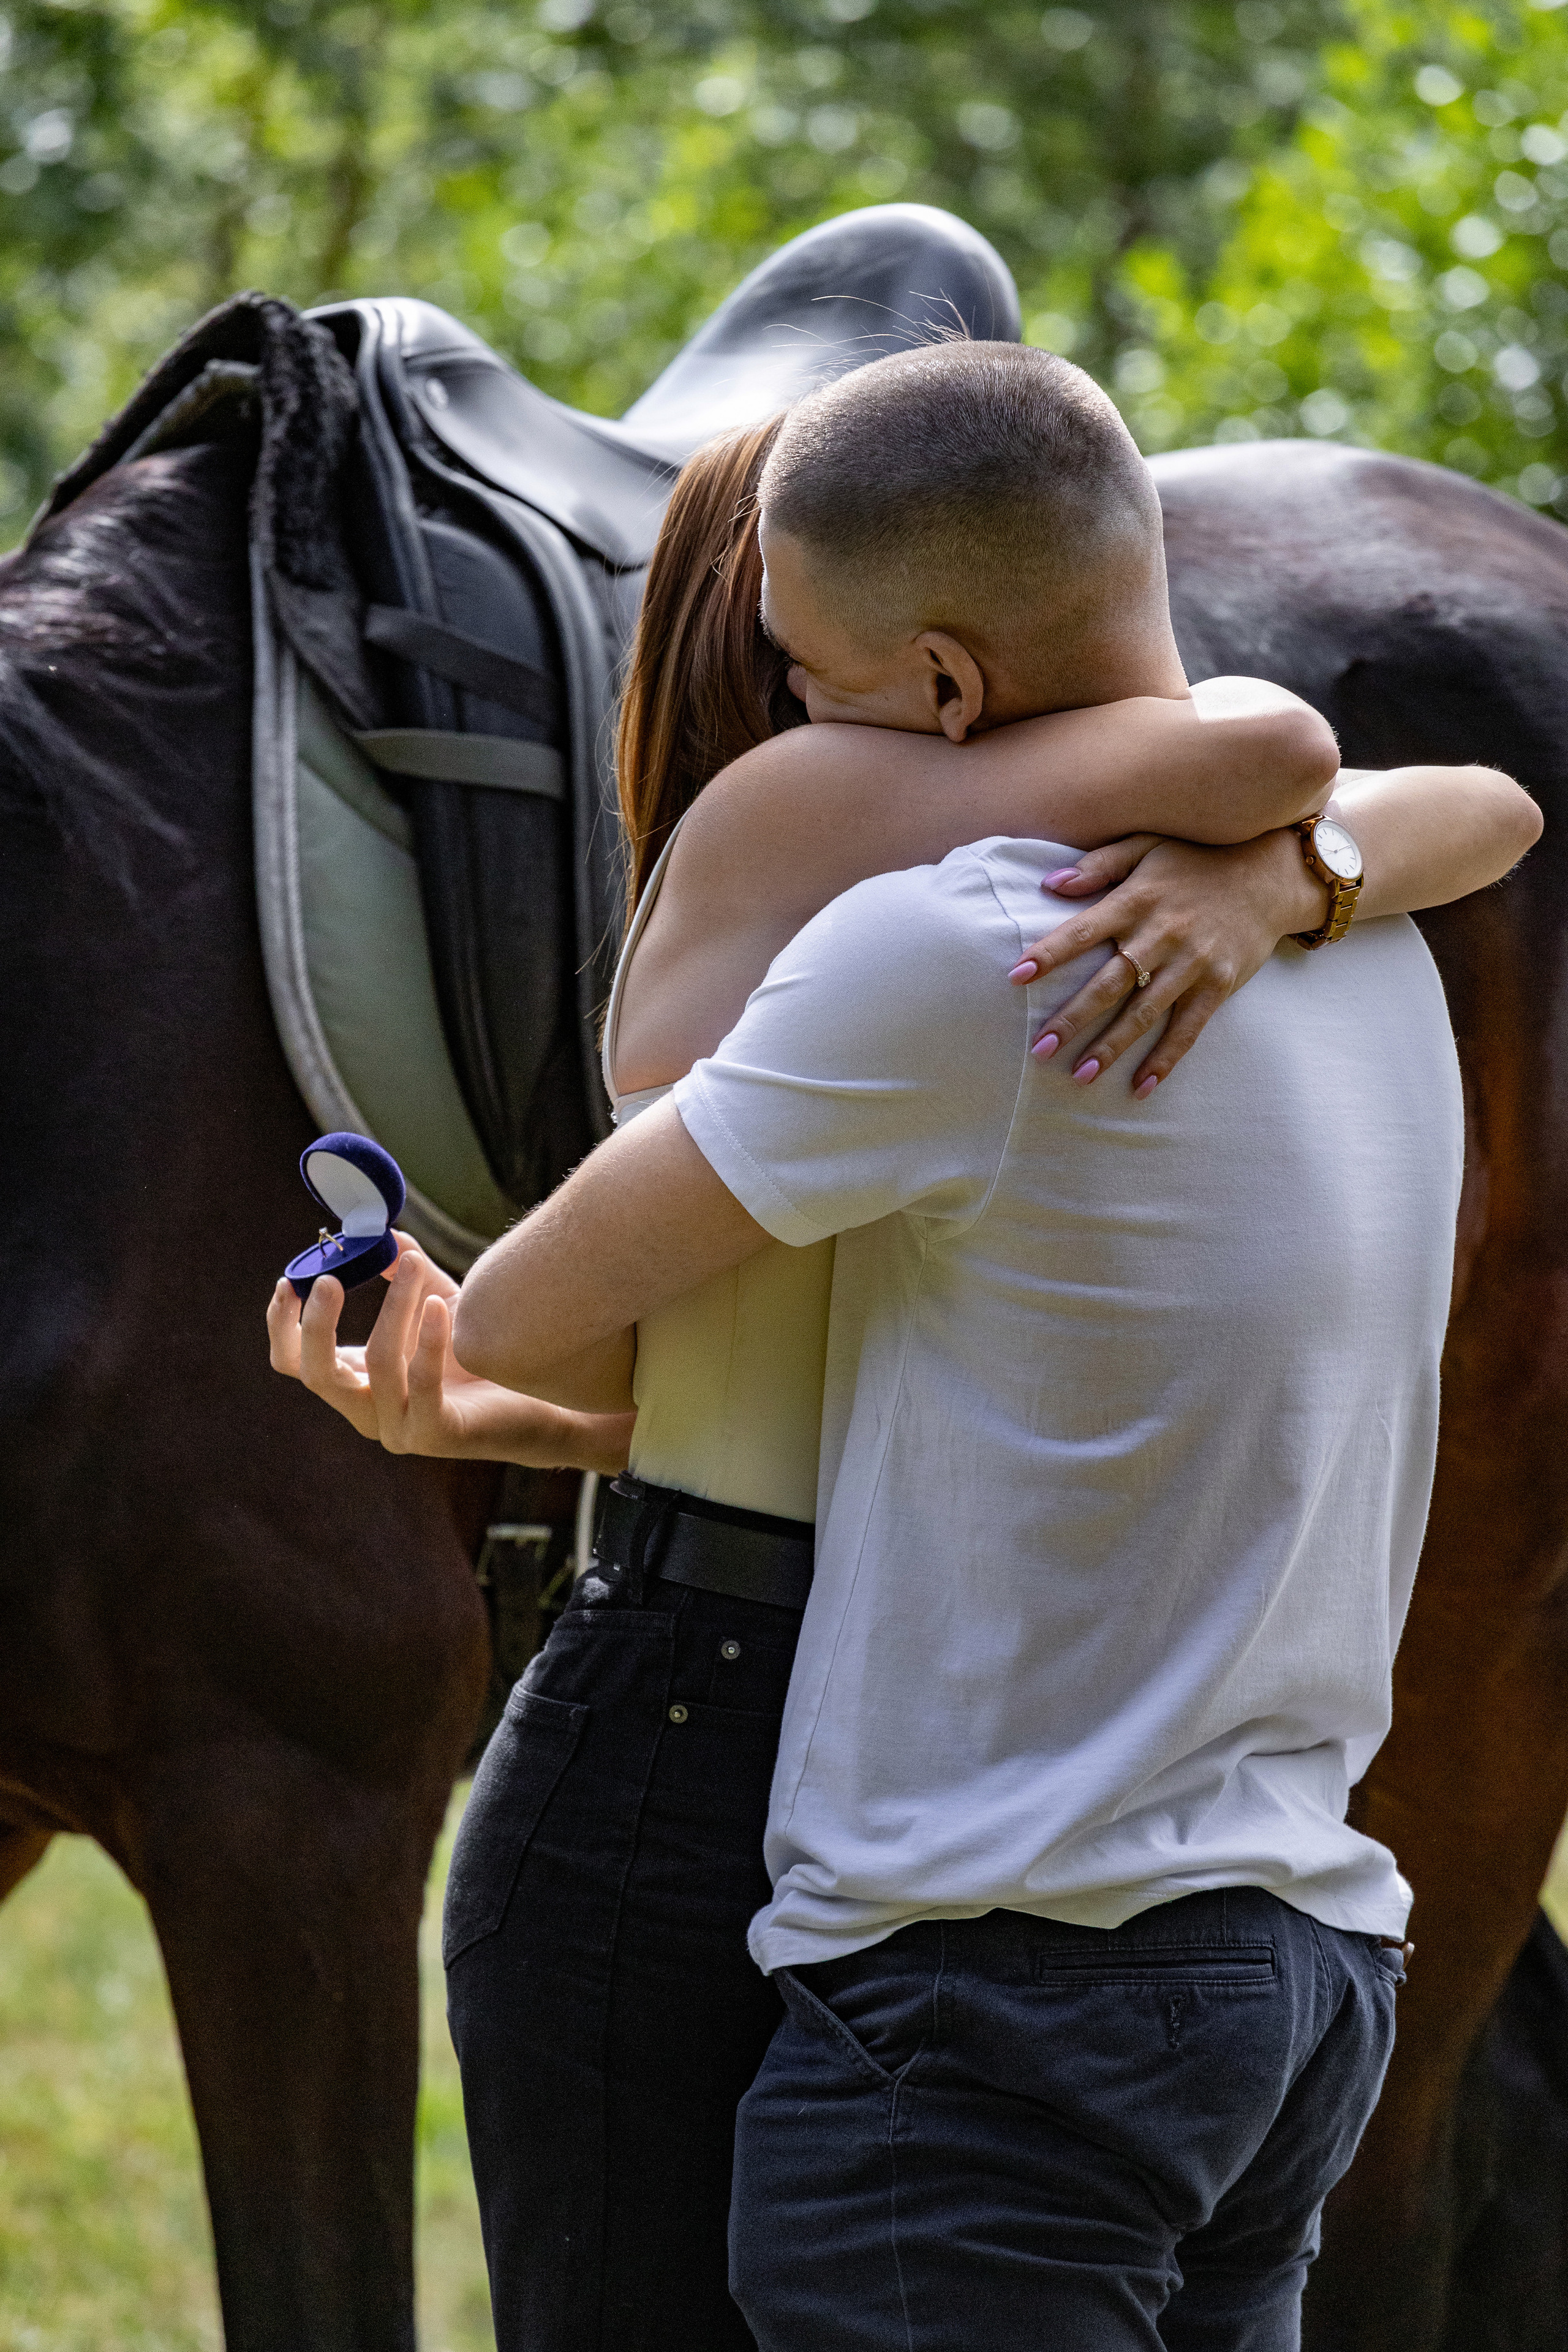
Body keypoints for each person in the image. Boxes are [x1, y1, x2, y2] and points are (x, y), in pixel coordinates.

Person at [269, 350, 1540, 2351]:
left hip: (912, 1874)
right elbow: (1366, 776)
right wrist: (1298, 867)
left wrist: (472, 1367)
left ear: (935, 681)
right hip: (1275, 1925)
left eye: (813, 667)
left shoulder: (924, 918)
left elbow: (561, 1308)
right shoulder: (1351, 947)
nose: (793, 708)